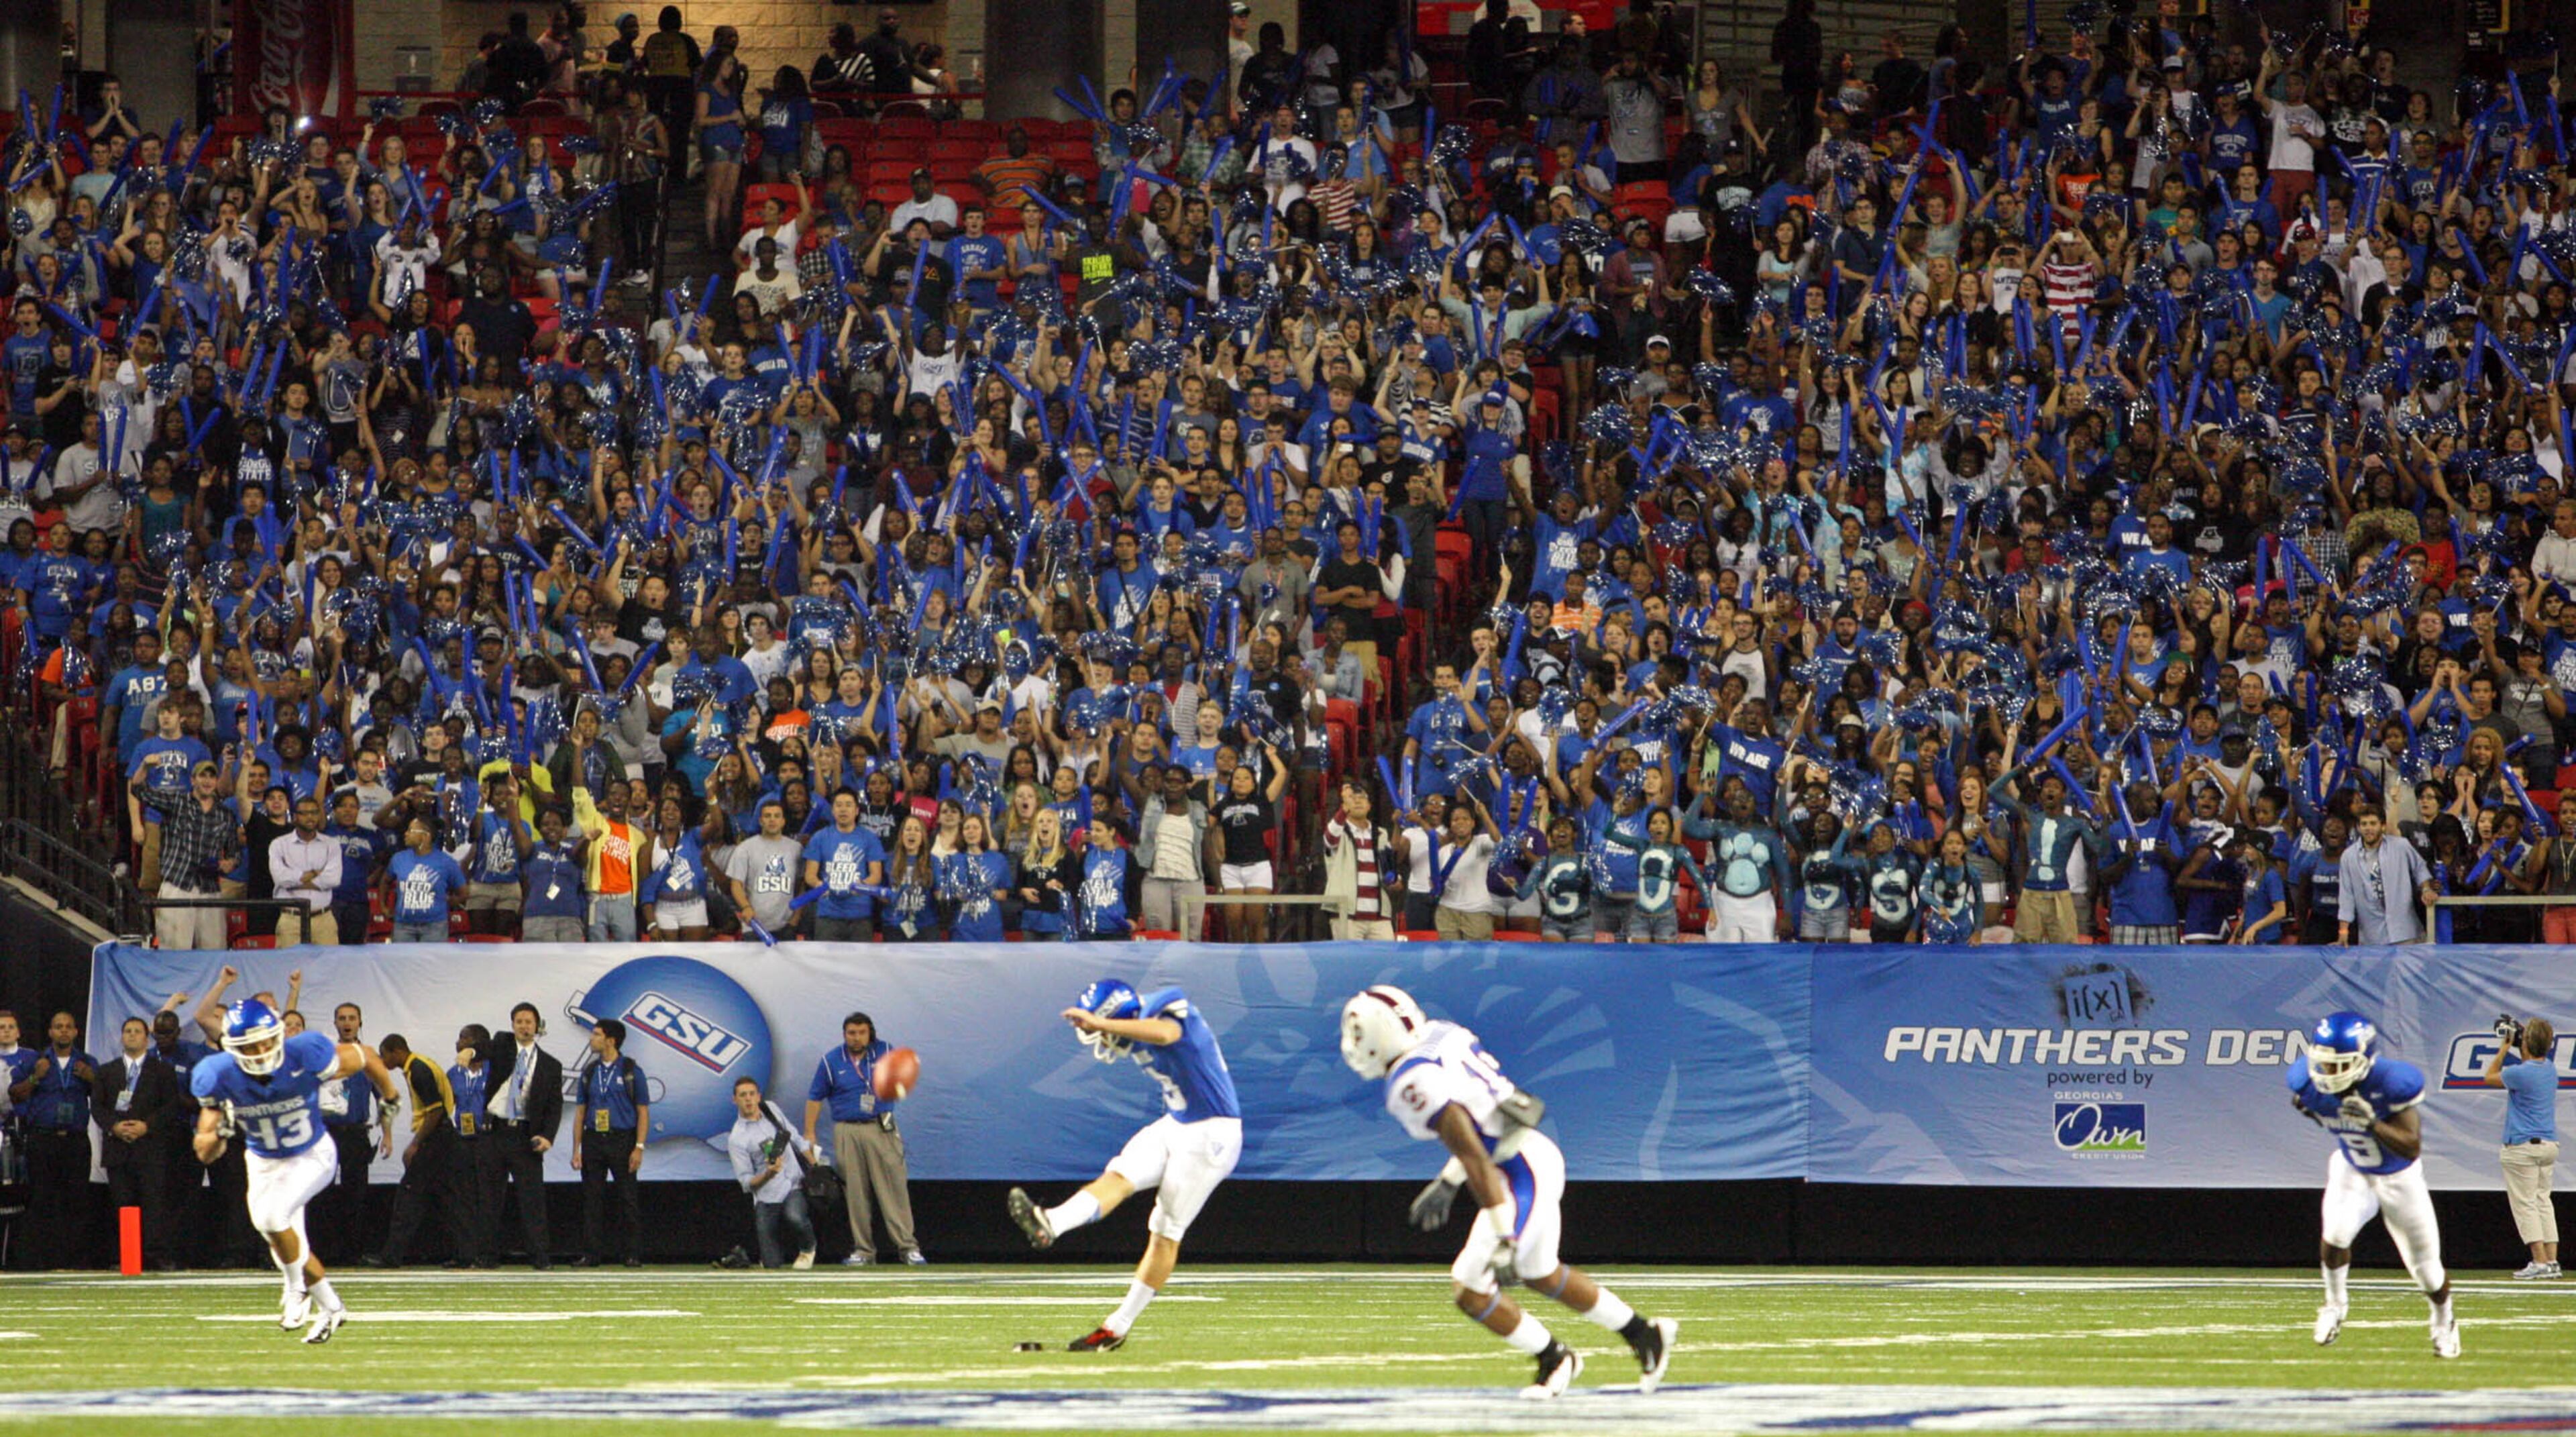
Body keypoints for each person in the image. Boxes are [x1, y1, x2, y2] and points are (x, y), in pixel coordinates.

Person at [1338, 984, 1674, 1397]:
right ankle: (1644, 1334)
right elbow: (1489, 1116)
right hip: (1526, 1154)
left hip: (1520, 1169)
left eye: (1357, 1033)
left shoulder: (1412, 1081)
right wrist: (1448, 1182)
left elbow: (1475, 1153)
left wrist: (1504, 1235)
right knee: (1540, 1273)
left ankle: (1556, 1358)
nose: (1353, 1044)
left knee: (1470, 1288)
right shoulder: (1439, 1033)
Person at [1006, 977, 1242, 1350]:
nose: (1103, 1042)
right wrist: (1103, 1023)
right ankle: (1051, 1222)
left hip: (1212, 1134)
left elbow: (1165, 1034)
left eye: (1104, 1029)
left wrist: (1103, 1023)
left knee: (1166, 1231)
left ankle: (1117, 1327)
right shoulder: (1134, 1016)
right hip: (1178, 1122)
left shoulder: (1167, 1008)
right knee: (1120, 1174)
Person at [189, 999, 400, 1342]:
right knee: (273, 1228)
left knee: (273, 1218)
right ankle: (324, 1302)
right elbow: (205, 1152)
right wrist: (222, 1133)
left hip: (311, 1153)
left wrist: (390, 1095)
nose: (259, 1051)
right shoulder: (218, 1074)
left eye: (265, 1040)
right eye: (249, 1046)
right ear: (232, 1047)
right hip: (263, 1160)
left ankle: (301, 1293)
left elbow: (365, 1057)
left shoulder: (305, 1053)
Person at [2291, 1010, 2458, 1357]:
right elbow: (2313, 1107)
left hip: (2399, 1176)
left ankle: (2444, 1320)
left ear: (2364, 1060)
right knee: (2334, 1236)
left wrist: (2373, 1124)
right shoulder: (2306, 1084)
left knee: (2426, 1270)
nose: (2328, 1074)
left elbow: (2411, 1146)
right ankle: (2335, 1305)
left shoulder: (2392, 1084)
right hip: (2352, 1169)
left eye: (2339, 1065)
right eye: (2324, 1064)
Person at [801, 1012, 922, 1266]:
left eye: (862, 1033)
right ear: (845, 1035)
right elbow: (815, 1097)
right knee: (855, 1192)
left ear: (871, 1033)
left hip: (881, 1127)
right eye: (851, 1033)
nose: (856, 1038)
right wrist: (809, 1131)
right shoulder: (832, 1060)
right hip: (847, 1130)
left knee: (894, 1188)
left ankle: (908, 1248)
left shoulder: (886, 1051)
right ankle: (864, 1251)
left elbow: (905, 1075)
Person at [366, 1030, 475, 1270]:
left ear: (397, 1051)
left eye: (385, 1056)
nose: (384, 1062)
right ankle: (466, 1254)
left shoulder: (417, 1070)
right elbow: (448, 1098)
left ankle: (391, 1256)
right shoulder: (424, 1063)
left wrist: (416, 1143)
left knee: (409, 1195)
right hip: (445, 1138)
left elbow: (435, 1111)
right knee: (449, 1198)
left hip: (436, 1139)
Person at [92, 1015, 181, 1269]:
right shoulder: (107, 1071)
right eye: (128, 1031)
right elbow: (97, 1106)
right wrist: (114, 1126)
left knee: (153, 1203)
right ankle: (127, 1257)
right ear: (122, 1037)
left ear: (146, 1037)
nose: (132, 1035)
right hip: (118, 1148)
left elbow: (171, 1106)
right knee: (122, 1203)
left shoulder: (162, 1071)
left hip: (150, 1148)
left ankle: (154, 1256)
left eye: (137, 1031)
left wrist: (147, 1126)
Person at [479, 1002, 564, 1269]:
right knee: (491, 1197)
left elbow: (554, 1105)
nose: (524, 1026)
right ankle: (487, 1256)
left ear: (537, 1026)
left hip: (526, 1136)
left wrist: (548, 1136)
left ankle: (539, 1256)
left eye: (529, 1022)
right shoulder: (502, 1047)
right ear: (512, 1025)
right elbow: (484, 1048)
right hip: (496, 1132)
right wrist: (469, 1050)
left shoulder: (550, 1065)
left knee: (532, 1199)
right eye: (519, 1021)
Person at [10, 1011, 94, 1269]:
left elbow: (106, 1094)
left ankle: (76, 1261)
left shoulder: (87, 1062)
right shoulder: (37, 1061)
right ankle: (41, 1260)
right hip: (43, 1139)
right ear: (50, 1032)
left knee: (77, 1201)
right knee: (42, 1200)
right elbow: (15, 1095)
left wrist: (91, 1078)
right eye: (59, 1027)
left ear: (76, 1032)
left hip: (76, 1140)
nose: (64, 1031)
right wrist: (36, 1077)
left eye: (69, 1027)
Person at [2484, 1015, 2561, 1279]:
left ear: (2526, 1044)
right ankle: (2551, 1261)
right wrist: (2522, 1041)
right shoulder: (2549, 1069)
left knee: (2526, 1204)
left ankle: (2539, 1261)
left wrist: (2506, 1046)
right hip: (2548, 1145)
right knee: (2543, 1202)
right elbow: (2532, 1060)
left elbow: (2489, 1077)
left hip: (2523, 1146)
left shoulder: (2520, 1073)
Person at [570, 1017, 649, 1268]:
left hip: (622, 1139)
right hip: (594, 1139)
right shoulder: (590, 1071)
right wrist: (577, 1149)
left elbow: (643, 1111)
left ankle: (632, 1253)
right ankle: (591, 1254)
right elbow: (581, 1111)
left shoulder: (630, 1071)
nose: (592, 1039)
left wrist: (639, 1147)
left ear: (611, 1040)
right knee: (592, 1198)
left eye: (596, 1035)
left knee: (628, 1198)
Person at [314, 1002, 384, 1264]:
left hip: (356, 1134)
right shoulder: (326, 1057)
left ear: (360, 1023)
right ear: (335, 1024)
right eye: (342, 1018)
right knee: (323, 1193)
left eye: (352, 1018)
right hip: (327, 1133)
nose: (347, 1023)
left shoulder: (369, 1056)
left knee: (356, 1193)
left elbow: (383, 1096)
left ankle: (353, 1252)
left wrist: (386, 1133)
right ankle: (324, 1252)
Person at [728, 1075, 819, 1269]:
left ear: (759, 1097)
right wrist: (768, 1174)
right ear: (734, 1100)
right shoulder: (737, 1138)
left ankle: (807, 1248)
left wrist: (814, 1165)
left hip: (793, 1182)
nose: (748, 1099)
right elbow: (746, 1182)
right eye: (743, 1095)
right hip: (767, 1195)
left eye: (752, 1094)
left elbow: (794, 1136)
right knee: (771, 1265)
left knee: (795, 1216)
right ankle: (768, 1259)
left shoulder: (771, 1109)